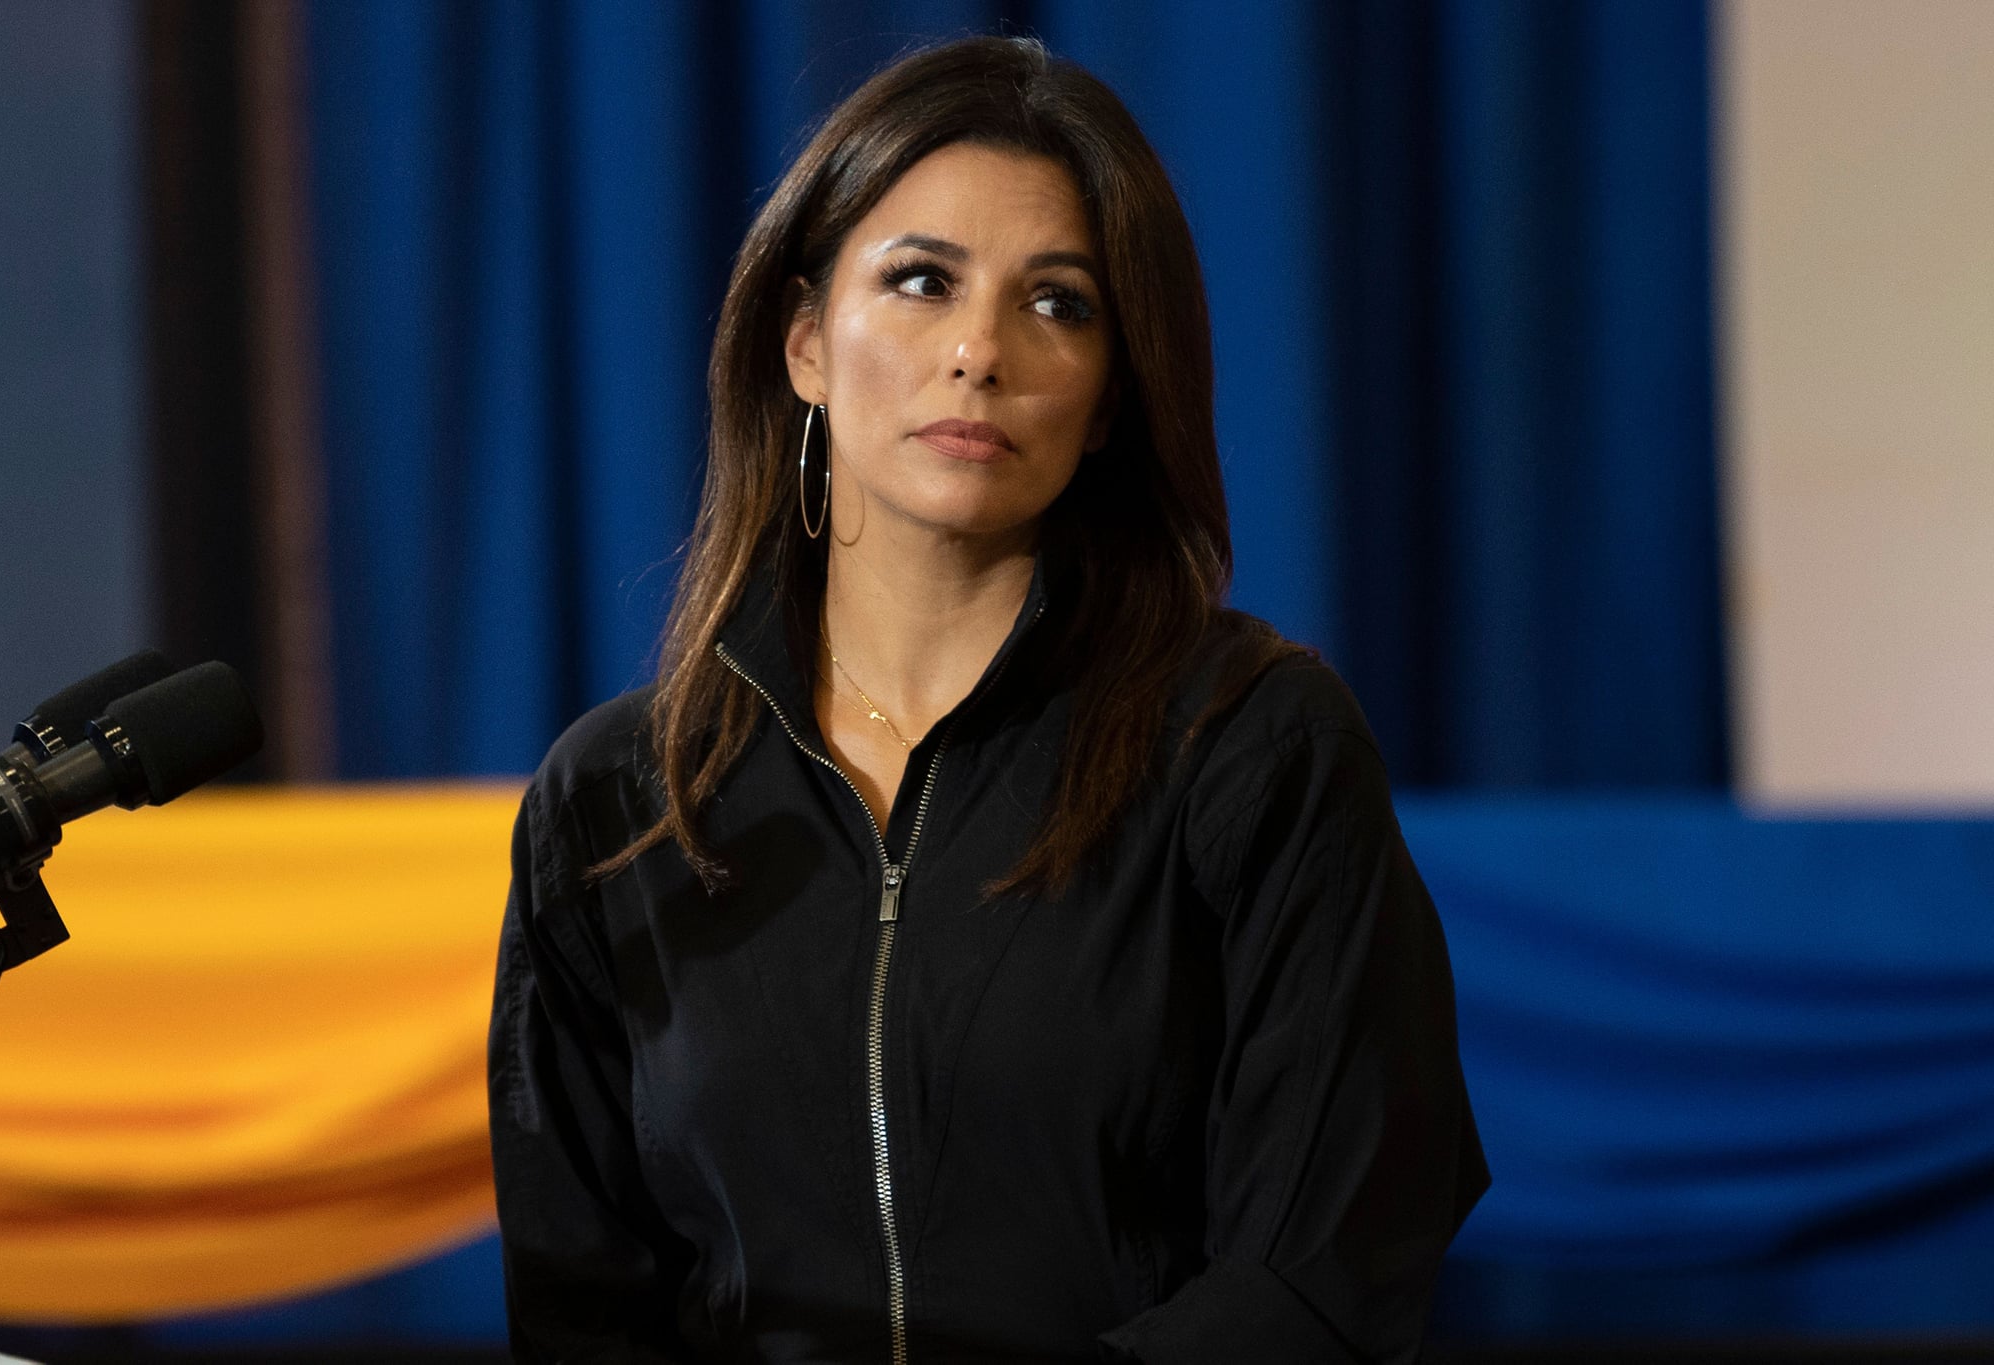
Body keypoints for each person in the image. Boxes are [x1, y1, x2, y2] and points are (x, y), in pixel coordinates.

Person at [489, 35, 1487, 1365]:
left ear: (1114, 396)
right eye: (919, 282)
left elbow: (1327, 1271)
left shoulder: (1256, 748)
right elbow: (580, 1309)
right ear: (803, 343)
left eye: (1059, 304)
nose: (979, 350)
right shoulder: (615, 801)